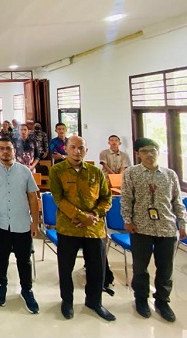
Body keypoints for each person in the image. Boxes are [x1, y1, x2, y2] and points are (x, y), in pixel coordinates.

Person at [49, 136, 115, 321]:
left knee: (97, 268)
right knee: (65, 267)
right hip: (68, 227)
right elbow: (58, 199)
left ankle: (94, 301)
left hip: (94, 228)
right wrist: (80, 216)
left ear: (86, 150)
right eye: (73, 147)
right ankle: (67, 301)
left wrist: (93, 216)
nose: (77, 151)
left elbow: (106, 198)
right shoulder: (57, 171)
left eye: (81, 148)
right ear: (66, 149)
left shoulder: (96, 172)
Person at [121, 138, 187, 322]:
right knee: (140, 267)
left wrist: (183, 222)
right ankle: (141, 299)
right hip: (140, 227)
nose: (150, 154)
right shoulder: (131, 173)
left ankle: (162, 301)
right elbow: (126, 199)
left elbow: (177, 201)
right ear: (137, 153)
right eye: (145, 151)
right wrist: (127, 220)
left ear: (158, 152)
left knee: (165, 268)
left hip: (166, 227)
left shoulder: (170, 174)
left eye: (153, 150)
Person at [0, 137, 40, 313]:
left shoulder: (24, 171)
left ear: (14, 150)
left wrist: (35, 223)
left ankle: (27, 290)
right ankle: (1, 285)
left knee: (24, 258)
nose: (5, 152)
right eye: (2, 149)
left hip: (21, 223)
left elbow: (33, 198)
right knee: (1, 256)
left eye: (8, 148)